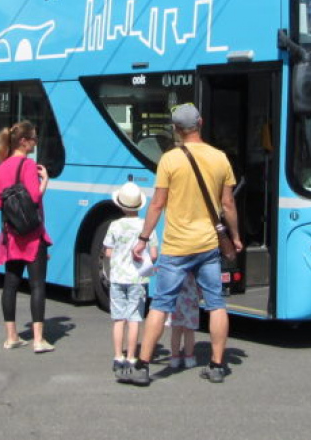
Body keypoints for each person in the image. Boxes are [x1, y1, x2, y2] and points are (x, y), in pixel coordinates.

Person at [122, 103, 242, 386]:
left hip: (176, 247)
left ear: (175, 129)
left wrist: (142, 238)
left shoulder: (169, 160)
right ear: (200, 122)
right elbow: (228, 203)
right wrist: (235, 237)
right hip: (208, 245)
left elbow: (158, 204)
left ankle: (142, 366)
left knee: (161, 305)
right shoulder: (220, 158)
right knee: (216, 303)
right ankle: (216, 365)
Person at [0, 121, 54, 353]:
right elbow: (34, 199)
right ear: (24, 141)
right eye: (34, 138)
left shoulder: (1, 167)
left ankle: (11, 336)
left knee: (10, 284)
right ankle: (38, 339)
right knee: (37, 285)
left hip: (11, 234)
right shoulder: (28, 165)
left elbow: (0, 203)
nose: (36, 142)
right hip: (32, 235)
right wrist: (45, 181)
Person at [102, 181, 158, 379]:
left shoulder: (114, 225)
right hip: (138, 279)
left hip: (117, 277)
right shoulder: (146, 226)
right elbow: (153, 252)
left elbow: (108, 252)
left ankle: (118, 356)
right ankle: (132, 357)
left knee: (119, 319)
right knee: (134, 319)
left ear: (120, 205)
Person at [167, 272, 199, 370]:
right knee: (189, 330)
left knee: (176, 330)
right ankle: (189, 358)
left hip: (175, 297)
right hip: (190, 295)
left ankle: (175, 358)